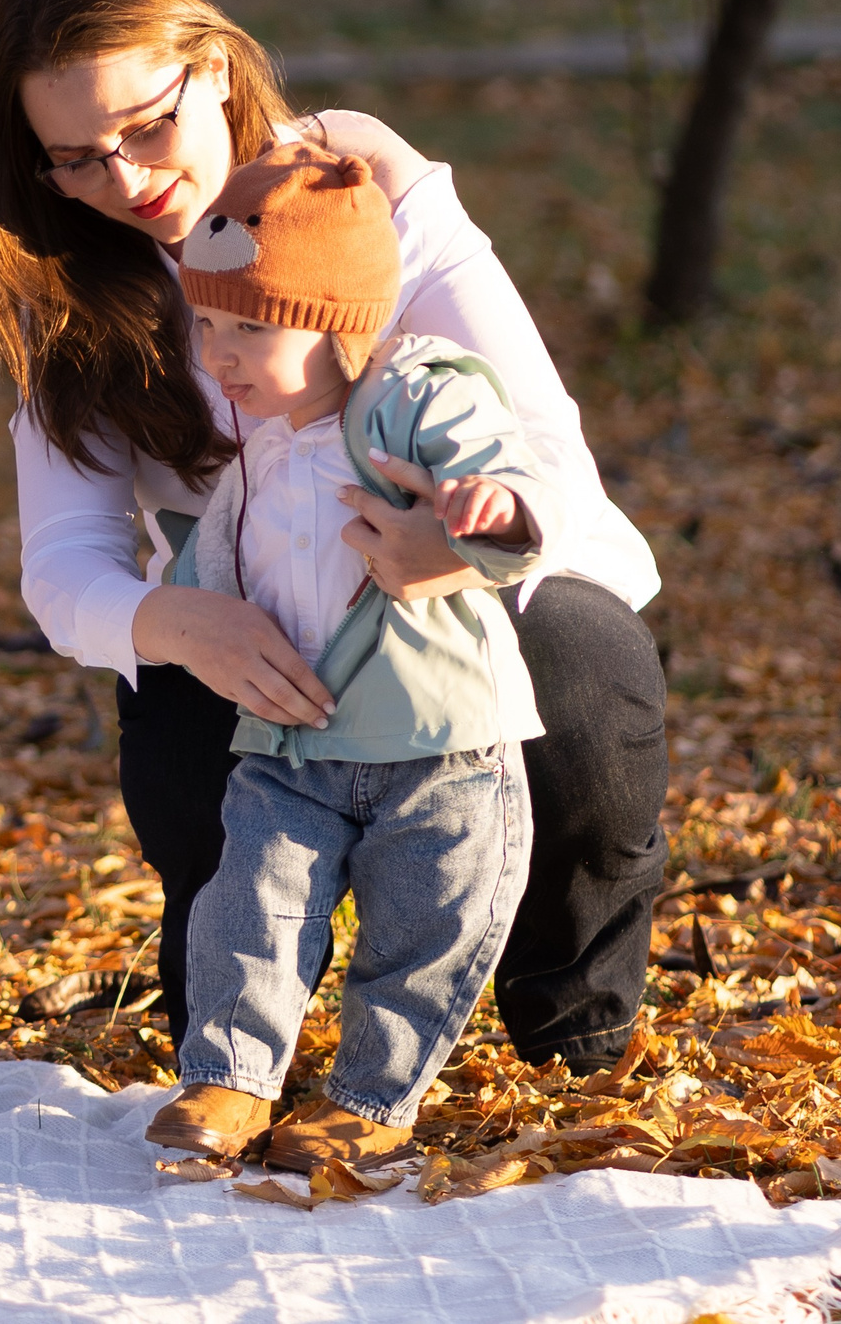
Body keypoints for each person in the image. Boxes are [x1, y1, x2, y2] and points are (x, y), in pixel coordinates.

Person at [0, 0, 669, 1072]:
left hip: (458, 583)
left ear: (218, 69)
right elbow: (64, 567)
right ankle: (244, 1057)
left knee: (581, 676)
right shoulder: (66, 294)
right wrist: (184, 624)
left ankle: (571, 1030)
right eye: (79, 158)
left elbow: (542, 449)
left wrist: (457, 548)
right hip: (257, 617)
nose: (129, 181)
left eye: (147, 126)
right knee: (188, 746)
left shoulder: (361, 190)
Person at [138, 141, 546, 1171]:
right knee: (250, 905)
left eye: (249, 327)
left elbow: (495, 456)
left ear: (335, 323)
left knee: (426, 924)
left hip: (439, 737)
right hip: (294, 735)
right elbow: (206, 564)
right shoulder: (257, 446)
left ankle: (370, 1095)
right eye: (208, 325)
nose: (219, 354)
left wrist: (482, 508)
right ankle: (229, 1081)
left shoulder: (409, 393)